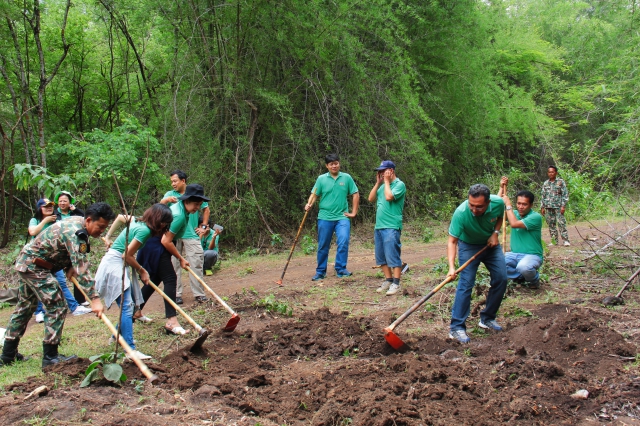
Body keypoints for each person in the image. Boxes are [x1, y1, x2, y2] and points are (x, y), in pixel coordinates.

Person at [0, 203, 113, 368]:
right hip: (34, 266)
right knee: (57, 305)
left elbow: (63, 248)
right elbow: (82, 269)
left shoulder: (79, 223)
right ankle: (50, 357)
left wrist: (70, 265)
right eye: (100, 226)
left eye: (105, 228)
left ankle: (7, 355)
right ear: (89, 220)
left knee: (25, 307)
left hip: (30, 263)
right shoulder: (76, 233)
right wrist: (94, 299)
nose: (102, 231)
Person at [94, 204, 173, 360]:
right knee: (127, 306)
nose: (165, 226)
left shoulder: (138, 221)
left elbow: (120, 219)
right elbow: (126, 255)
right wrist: (142, 270)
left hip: (117, 263)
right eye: (164, 222)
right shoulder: (144, 230)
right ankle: (130, 350)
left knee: (128, 305)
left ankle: (116, 337)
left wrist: (109, 236)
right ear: (157, 219)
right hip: (114, 264)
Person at [139, 184, 209, 335]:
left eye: (200, 205)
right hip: (156, 245)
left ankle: (136, 311)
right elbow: (166, 241)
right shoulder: (178, 215)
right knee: (171, 279)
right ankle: (172, 321)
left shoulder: (184, 211)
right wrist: (180, 258)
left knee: (155, 279)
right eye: (196, 204)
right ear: (187, 201)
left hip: (157, 244)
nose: (198, 208)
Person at [447, 184, 507, 344]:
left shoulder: (498, 203)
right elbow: (452, 241)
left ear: (488, 203)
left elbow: (500, 217)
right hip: (468, 246)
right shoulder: (461, 213)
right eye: (471, 205)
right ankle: (456, 327)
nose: (474, 210)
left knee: (501, 278)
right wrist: (452, 267)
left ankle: (487, 318)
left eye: (479, 207)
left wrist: (495, 233)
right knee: (466, 283)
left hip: (490, 245)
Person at [29, 199, 92, 323]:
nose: (49, 208)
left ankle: (74, 307)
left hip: (54, 259)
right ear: (39, 208)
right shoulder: (35, 220)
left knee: (62, 283)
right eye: (46, 206)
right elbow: (33, 232)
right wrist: (45, 221)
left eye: (51, 206)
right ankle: (39, 312)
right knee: (37, 286)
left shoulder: (57, 221)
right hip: (37, 259)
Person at [305, 154, 359, 281]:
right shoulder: (321, 179)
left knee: (343, 240)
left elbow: (355, 194)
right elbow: (314, 194)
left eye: (336, 163)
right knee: (323, 244)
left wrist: (354, 212)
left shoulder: (346, 178)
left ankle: (341, 269)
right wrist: (309, 204)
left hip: (342, 217)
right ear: (327, 166)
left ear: (339, 163)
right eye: (331, 164)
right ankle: (320, 271)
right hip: (325, 217)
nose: (334, 166)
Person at [160, 170, 209, 304]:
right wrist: (167, 200)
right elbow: (160, 208)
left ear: (183, 181)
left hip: (191, 234)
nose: (173, 184)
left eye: (175, 181)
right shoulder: (173, 200)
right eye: (172, 181)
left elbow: (206, 209)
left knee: (196, 263)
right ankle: (175, 294)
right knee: (174, 265)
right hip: (172, 236)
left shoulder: (194, 195)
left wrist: (204, 226)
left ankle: (199, 293)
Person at [368, 161, 406, 296]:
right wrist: (378, 183)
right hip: (379, 225)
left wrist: (387, 182)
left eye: (383, 171)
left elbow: (389, 197)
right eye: (380, 171)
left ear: (391, 171)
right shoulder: (382, 186)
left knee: (392, 255)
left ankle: (396, 283)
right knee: (381, 256)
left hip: (391, 225)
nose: (381, 173)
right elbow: (370, 198)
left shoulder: (399, 185)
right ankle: (388, 280)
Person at [499, 177, 544, 289]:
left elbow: (514, 223)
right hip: (514, 254)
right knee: (496, 263)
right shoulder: (513, 213)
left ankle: (534, 279)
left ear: (531, 205)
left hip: (532, 255)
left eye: (524, 204)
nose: (520, 207)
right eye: (518, 203)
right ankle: (521, 277)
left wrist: (508, 205)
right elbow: (495, 208)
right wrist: (501, 189)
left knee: (524, 267)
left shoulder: (535, 217)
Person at [540, 165, 570, 246]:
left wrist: (563, 206)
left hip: (558, 206)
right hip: (548, 207)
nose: (551, 173)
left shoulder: (560, 182)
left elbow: (565, 194)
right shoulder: (546, 183)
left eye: (552, 172)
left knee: (561, 223)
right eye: (549, 172)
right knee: (551, 224)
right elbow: (543, 195)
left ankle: (565, 240)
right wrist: (542, 207)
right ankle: (554, 241)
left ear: (556, 173)